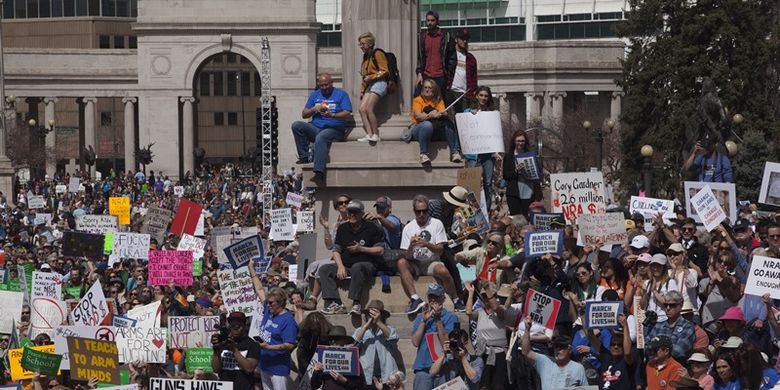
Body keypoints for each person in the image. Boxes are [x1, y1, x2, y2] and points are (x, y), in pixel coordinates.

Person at [397, 195, 463, 314]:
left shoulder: (436, 224)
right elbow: (406, 256)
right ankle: (415, 299)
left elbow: (440, 250)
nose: (421, 214)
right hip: (415, 262)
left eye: (424, 211)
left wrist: (427, 244)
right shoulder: (408, 228)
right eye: (418, 211)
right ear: (414, 211)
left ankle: (456, 299)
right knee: (401, 263)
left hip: (432, 261)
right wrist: (411, 246)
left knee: (443, 271)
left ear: (428, 210)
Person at [318, 200, 385, 315]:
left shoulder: (371, 228)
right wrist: (340, 266)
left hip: (367, 264)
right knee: (324, 269)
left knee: (357, 267)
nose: (352, 215)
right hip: (346, 265)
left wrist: (361, 249)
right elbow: (336, 250)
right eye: (350, 212)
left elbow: (380, 250)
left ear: (361, 214)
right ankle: (336, 303)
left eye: (355, 212)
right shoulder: (343, 228)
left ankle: (356, 303)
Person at [291, 72, 353, 181]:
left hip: (334, 129)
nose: (324, 88)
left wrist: (332, 115)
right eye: (322, 85)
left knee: (321, 137)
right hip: (316, 127)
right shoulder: (315, 95)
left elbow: (347, 112)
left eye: (326, 84)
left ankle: (319, 171)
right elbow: (304, 114)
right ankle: (304, 156)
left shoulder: (341, 94)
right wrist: (314, 109)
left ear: (332, 83)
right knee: (297, 125)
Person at [247, 267, 297, 390]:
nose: (267, 305)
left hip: (278, 368)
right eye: (268, 302)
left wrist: (269, 347)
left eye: (271, 303)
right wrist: (251, 268)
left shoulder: (288, 320)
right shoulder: (268, 312)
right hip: (265, 364)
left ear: (280, 303)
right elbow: (259, 289)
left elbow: (289, 345)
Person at [410, 284, 460, 389]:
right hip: (423, 369)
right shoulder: (420, 318)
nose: (433, 300)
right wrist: (424, 321)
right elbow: (415, 342)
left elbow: (447, 343)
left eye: (436, 297)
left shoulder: (451, 318)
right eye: (430, 297)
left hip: (444, 368)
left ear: (443, 298)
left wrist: (438, 320)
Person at [520, 315, 589, 389]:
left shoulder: (578, 368)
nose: (558, 350)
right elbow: (526, 352)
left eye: (561, 347)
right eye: (556, 347)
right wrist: (527, 329)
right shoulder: (545, 362)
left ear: (569, 349)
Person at [406, 78, 462, 164]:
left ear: (434, 90)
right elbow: (418, 116)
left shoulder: (438, 101)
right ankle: (423, 154)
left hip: (435, 129)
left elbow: (443, 112)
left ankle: (455, 152)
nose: (427, 90)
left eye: (430, 88)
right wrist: (430, 115)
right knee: (427, 125)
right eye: (425, 87)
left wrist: (441, 113)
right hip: (418, 129)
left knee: (449, 123)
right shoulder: (418, 100)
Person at [463, 86, 500, 211]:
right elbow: (463, 126)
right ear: (476, 96)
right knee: (472, 183)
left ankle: (487, 210)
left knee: (488, 184)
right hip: (474, 154)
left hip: (488, 154)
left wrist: (497, 151)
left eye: (486, 96)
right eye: (481, 95)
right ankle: (472, 211)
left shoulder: (491, 113)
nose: (483, 98)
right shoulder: (468, 111)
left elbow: (494, 134)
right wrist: (470, 115)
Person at [353, 300, 399, 388]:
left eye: (375, 313)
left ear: (382, 315)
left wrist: (378, 322)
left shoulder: (388, 329)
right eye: (370, 313)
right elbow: (354, 344)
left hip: (387, 377)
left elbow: (393, 339)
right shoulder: (361, 330)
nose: (372, 316)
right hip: (367, 377)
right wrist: (366, 326)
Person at [210, 312, 261, 388]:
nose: (235, 327)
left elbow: (249, 368)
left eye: (238, 324)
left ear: (244, 325)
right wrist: (216, 349)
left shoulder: (252, 344)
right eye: (233, 324)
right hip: (225, 387)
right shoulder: (223, 343)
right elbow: (215, 369)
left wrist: (234, 350)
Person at [644, 291, 696, 362]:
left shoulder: (687, 326)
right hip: (656, 368)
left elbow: (679, 351)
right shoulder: (658, 326)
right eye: (665, 305)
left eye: (672, 305)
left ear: (680, 306)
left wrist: (656, 350)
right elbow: (647, 348)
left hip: (676, 369)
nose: (668, 308)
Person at [311, 326, 367, 390]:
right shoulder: (323, 359)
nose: (333, 341)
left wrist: (345, 381)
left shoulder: (353, 360)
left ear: (344, 341)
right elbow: (314, 386)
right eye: (330, 339)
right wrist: (316, 372)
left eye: (337, 339)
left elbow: (361, 387)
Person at [357, 32, 389, 143]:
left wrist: (371, 77)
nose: (361, 46)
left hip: (380, 82)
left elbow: (384, 71)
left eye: (362, 44)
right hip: (370, 84)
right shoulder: (366, 56)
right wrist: (362, 90)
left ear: (370, 44)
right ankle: (369, 134)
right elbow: (364, 75)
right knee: (361, 109)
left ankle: (376, 134)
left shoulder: (377, 53)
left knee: (369, 108)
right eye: (360, 44)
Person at [415, 10, 455, 96]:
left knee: (440, 102)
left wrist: (449, 76)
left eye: (432, 20)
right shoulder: (421, 37)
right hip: (426, 74)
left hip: (441, 76)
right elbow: (420, 57)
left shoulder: (446, 37)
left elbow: (452, 58)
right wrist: (419, 72)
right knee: (419, 97)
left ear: (437, 21)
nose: (429, 23)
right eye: (428, 20)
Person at [502, 130, 536, 216]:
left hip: (528, 191)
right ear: (514, 141)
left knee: (526, 218)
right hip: (514, 193)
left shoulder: (530, 154)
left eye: (522, 141)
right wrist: (516, 171)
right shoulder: (509, 156)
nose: (520, 143)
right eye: (518, 141)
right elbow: (506, 175)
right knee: (515, 218)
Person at [445, 28, 478, 113]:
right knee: (449, 119)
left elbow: (474, 79)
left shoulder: (471, 58)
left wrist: (473, 93)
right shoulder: (449, 55)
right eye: (462, 38)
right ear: (456, 39)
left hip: (464, 94)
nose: (465, 41)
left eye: (466, 39)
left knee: (463, 120)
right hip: (450, 91)